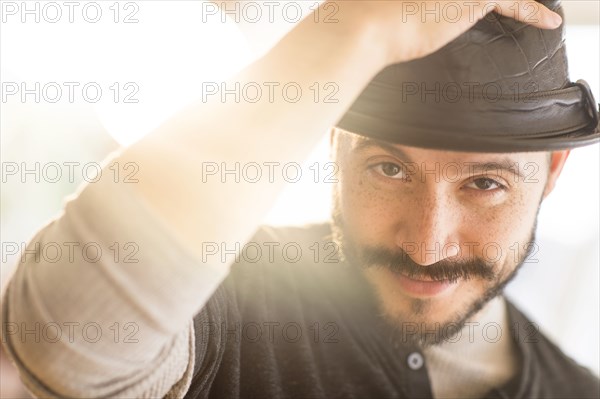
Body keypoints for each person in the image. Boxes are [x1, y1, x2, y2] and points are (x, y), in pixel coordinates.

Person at [1, 1, 599, 398]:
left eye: (484, 183)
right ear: (333, 149)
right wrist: (358, 30)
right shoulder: (222, 294)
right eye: (388, 168)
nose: (426, 243)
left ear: (551, 171)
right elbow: (67, 345)